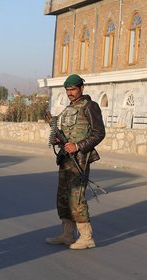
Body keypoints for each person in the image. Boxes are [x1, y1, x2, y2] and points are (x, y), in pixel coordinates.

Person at [45, 74, 105, 250]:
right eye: (67, 90)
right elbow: (69, 133)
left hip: (79, 159)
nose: (70, 93)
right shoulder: (70, 108)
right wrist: (58, 139)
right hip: (65, 158)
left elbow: (99, 133)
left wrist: (78, 146)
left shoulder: (90, 106)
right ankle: (67, 234)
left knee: (76, 197)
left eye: (73, 89)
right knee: (63, 197)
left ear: (81, 88)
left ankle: (86, 237)